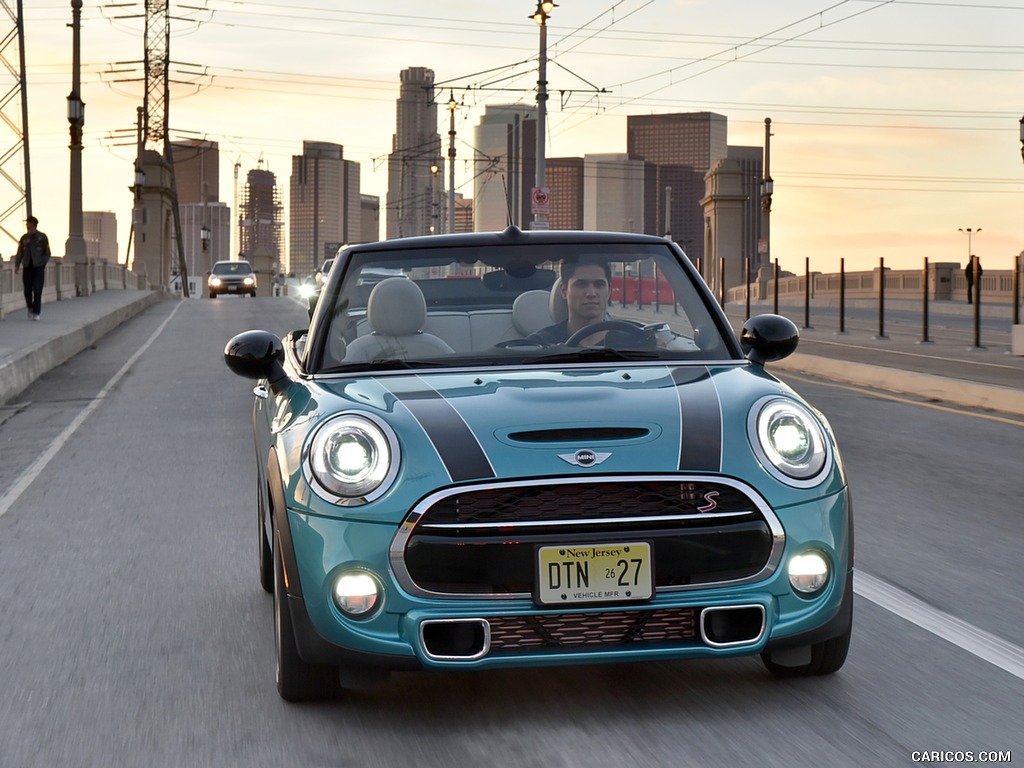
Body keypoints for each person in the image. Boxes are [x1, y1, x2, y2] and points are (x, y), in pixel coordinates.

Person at [529, 258, 612, 346]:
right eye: (581, 284)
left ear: (609, 292)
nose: (591, 293)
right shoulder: (541, 344)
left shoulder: (626, 341)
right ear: (564, 290)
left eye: (599, 285)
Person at [14, 216, 51, 321]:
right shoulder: (24, 238)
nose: (26, 225)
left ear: (33, 224)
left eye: (28, 223)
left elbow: (47, 253)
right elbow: (20, 252)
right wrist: (17, 264)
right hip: (27, 267)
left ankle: (36, 312)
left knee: (38, 290)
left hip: (38, 267)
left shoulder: (42, 237)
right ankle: (30, 307)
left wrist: (42, 263)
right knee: (27, 290)